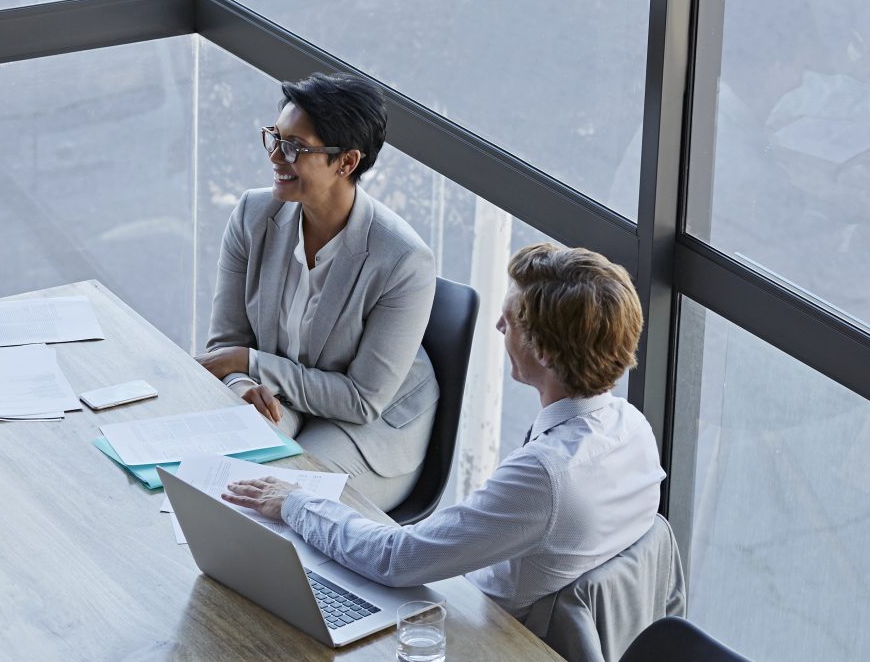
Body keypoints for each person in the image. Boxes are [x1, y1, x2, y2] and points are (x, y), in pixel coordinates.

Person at [224, 243, 666, 618]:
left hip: (479, 630)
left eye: (510, 320)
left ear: (546, 353)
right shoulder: (633, 429)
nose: (498, 327)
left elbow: (397, 558)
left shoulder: (546, 476)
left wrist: (294, 503)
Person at [200, 72, 439, 507]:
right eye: (274, 137)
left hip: (369, 428)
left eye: (294, 147)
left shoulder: (403, 260)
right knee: (209, 466)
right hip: (285, 396)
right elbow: (225, 345)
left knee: (284, 496)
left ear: (346, 163)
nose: (275, 156)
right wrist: (240, 383)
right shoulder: (254, 215)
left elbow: (361, 399)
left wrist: (250, 363)